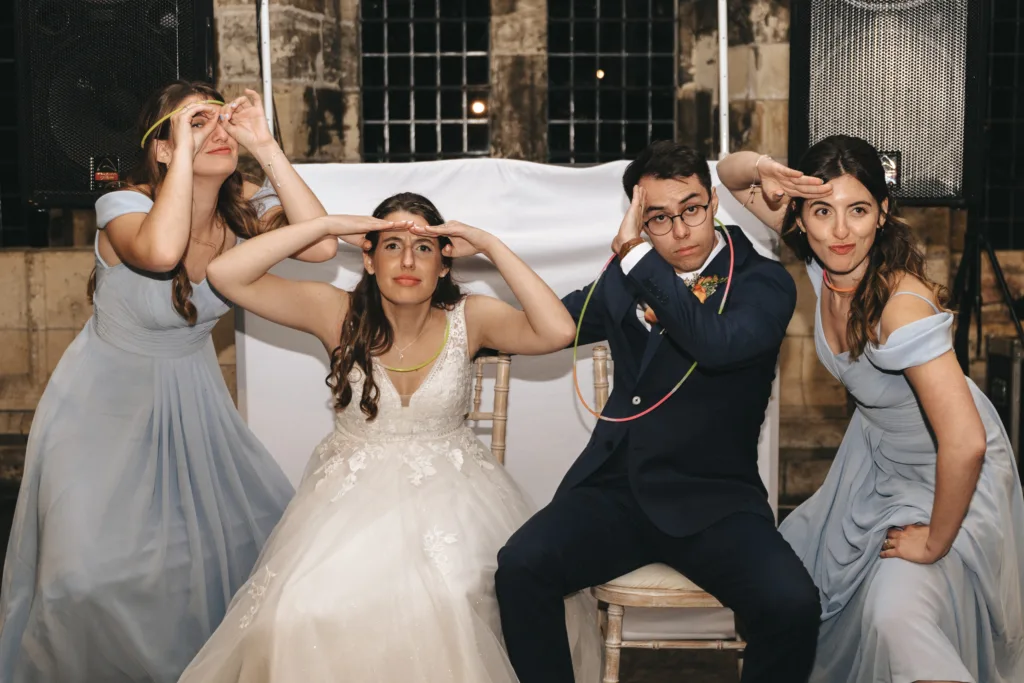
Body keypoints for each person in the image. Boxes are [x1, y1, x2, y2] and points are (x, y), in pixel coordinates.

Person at [175, 192, 601, 682]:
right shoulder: (334, 312)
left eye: (423, 248)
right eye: (391, 245)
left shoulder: (473, 316)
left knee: (451, 599)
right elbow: (226, 274)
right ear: (369, 260)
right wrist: (329, 225)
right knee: (297, 611)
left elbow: (556, 330)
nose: (406, 260)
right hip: (348, 501)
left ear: (444, 264)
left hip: (458, 499)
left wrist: (488, 244)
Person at [0, 81, 337, 682]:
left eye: (221, 123)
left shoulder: (242, 214)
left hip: (193, 403)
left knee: (236, 562)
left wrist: (263, 142)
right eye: (195, 123)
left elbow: (323, 244)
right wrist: (184, 146)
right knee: (82, 580)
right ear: (161, 149)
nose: (216, 133)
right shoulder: (122, 208)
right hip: (101, 411)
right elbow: (159, 252)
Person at [494, 141, 821, 683]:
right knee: (520, 567)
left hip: (713, 500)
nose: (680, 229)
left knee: (793, 605)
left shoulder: (762, 281)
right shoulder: (625, 280)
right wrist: (444, 326)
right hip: (616, 492)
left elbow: (716, 344)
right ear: (641, 220)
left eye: (691, 209)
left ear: (714, 201)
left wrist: (640, 260)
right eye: (659, 218)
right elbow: (551, 323)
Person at [716, 135, 1024, 683]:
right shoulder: (826, 263)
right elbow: (728, 174)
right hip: (876, 464)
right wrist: (769, 169)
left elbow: (966, 441)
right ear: (802, 218)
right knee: (785, 581)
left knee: (894, 619)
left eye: (858, 210)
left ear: (883, 213)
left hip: (946, 479)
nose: (840, 231)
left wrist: (933, 541)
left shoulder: (899, 308)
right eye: (823, 211)